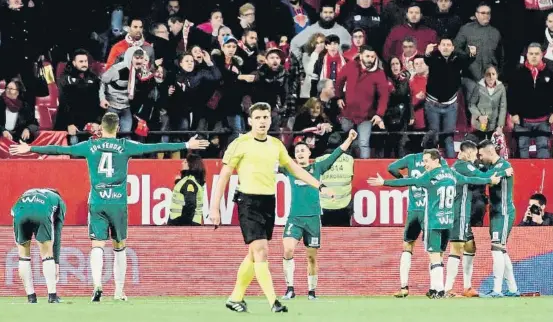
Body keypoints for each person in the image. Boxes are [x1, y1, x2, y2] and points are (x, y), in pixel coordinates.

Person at [10, 112, 210, 302]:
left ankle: (97, 285)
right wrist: (186, 143)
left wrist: (31, 148)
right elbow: (154, 147)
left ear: (102, 127)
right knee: (119, 247)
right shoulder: (125, 146)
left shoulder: (91, 146)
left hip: (98, 201)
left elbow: (61, 150)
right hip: (118, 203)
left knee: (97, 245)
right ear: (118, 128)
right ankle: (118, 290)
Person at [209, 102, 335, 313]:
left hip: (268, 202)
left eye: (265, 118)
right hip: (248, 202)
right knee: (261, 251)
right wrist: (214, 208)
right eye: (257, 118)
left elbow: (294, 169)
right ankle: (273, 301)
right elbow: (223, 177)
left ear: (270, 119)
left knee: (253, 254)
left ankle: (235, 298)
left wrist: (319, 185)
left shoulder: (276, 144)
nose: (261, 122)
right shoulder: (240, 144)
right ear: (250, 121)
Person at [369, 148, 500, 299]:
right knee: (440, 256)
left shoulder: (430, 177)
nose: (424, 165)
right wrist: (489, 180)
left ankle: (438, 290)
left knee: (434, 257)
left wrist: (384, 182)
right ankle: (435, 289)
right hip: (448, 222)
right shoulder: (451, 173)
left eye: (426, 161)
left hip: (434, 222)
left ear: (436, 160)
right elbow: (471, 180)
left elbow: (408, 181)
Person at [282, 129, 358, 300]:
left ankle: (311, 291)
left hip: (313, 218)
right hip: (295, 217)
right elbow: (269, 164)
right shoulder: (289, 168)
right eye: (297, 151)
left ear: (309, 152)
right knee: (288, 249)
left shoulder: (317, 167)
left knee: (311, 257)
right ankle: (289, 288)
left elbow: (336, 154)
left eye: (303, 150)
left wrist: (349, 139)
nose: (300, 153)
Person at [444, 141, 513, 298]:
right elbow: (483, 176)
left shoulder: (460, 167)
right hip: (458, 212)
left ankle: (467, 287)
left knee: (470, 248)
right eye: (475, 155)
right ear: (468, 153)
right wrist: (503, 172)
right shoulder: (463, 164)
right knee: (456, 248)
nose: (476, 158)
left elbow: (478, 172)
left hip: (463, 213)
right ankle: (447, 289)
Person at [386, 131, 447, 298]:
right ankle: (434, 287)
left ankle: (404, 287)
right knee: (434, 251)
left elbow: (390, 167)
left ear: (422, 144)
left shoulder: (412, 158)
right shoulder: (439, 161)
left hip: (414, 210)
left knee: (407, 246)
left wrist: (404, 178)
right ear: (437, 147)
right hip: (430, 211)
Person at [477, 139, 520, 298]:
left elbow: (488, 177)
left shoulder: (504, 166)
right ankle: (513, 289)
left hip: (504, 213)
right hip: (495, 213)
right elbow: (484, 174)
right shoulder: (494, 168)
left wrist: (501, 173)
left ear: (489, 152)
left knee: (497, 249)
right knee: (501, 250)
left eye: (481, 155)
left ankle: (497, 290)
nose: (480, 158)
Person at [11, 188, 66, 304]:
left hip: (19, 211)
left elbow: (12, 212)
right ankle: (52, 296)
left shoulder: (28, 191)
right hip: (41, 211)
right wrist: (56, 262)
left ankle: (31, 297)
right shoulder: (59, 200)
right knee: (47, 255)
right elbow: (57, 232)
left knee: (23, 256)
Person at [167, 153, 205, 226]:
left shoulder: (189, 183)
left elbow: (190, 205)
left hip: (182, 223)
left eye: (185, 162)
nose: (182, 163)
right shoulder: (190, 180)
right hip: (186, 222)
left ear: (191, 165)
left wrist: (180, 223)